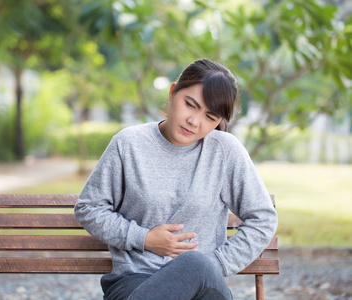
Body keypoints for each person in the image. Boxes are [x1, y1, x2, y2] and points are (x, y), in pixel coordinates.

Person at [74, 59, 278, 300]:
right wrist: (144, 238)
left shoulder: (224, 152)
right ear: (172, 92)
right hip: (135, 283)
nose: (194, 121)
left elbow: (263, 219)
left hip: (204, 290)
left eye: (210, 117)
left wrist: (214, 265)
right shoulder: (129, 144)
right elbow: (89, 208)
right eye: (190, 105)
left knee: (194, 263)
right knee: (193, 264)